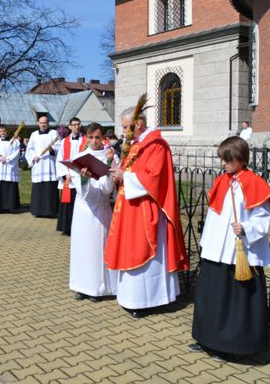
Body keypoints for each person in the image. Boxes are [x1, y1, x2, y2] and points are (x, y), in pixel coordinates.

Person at [189, 136, 270, 360]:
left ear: (240, 158)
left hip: (238, 253)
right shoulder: (223, 181)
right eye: (222, 159)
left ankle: (230, 346)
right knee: (211, 297)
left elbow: (263, 218)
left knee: (233, 301)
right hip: (216, 250)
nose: (223, 164)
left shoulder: (254, 183)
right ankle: (206, 338)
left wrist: (246, 227)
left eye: (227, 159)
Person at [105, 107, 189, 317]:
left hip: (145, 207)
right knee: (129, 247)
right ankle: (130, 297)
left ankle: (148, 300)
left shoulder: (157, 145)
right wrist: (117, 173)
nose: (123, 131)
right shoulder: (136, 145)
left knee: (142, 249)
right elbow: (129, 170)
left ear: (138, 124)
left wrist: (126, 177)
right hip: (129, 205)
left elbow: (155, 177)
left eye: (126, 127)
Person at [68, 122, 118, 302]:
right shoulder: (80, 156)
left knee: (98, 249)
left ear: (102, 137)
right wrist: (83, 179)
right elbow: (79, 188)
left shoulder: (110, 156)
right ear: (86, 138)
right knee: (82, 248)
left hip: (101, 208)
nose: (94, 141)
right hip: (83, 208)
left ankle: (99, 288)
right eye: (90, 137)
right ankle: (82, 286)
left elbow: (107, 188)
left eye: (97, 137)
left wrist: (109, 163)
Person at [56, 117, 86, 236]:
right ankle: (67, 227)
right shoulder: (64, 141)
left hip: (80, 176)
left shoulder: (85, 140)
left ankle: (80, 227)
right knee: (67, 202)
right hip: (68, 177)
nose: (76, 126)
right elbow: (60, 159)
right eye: (74, 124)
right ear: (69, 127)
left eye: (78, 124)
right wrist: (64, 174)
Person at [25, 116, 59, 218]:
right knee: (38, 189)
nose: (43, 125)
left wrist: (52, 149)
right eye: (41, 123)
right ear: (38, 123)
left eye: (45, 123)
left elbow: (59, 146)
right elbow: (29, 149)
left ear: (48, 123)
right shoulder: (34, 134)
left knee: (50, 189)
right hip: (39, 165)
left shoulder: (54, 133)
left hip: (50, 165)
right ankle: (38, 210)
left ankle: (51, 211)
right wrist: (33, 157)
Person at [0, 125, 21, 213]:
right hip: (0, 167)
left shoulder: (15, 142)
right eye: (0, 131)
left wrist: (7, 159)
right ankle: (0, 207)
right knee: (0, 186)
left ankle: (10, 206)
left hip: (9, 167)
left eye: (3, 131)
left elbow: (16, 153)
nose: (2, 133)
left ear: (7, 131)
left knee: (9, 186)